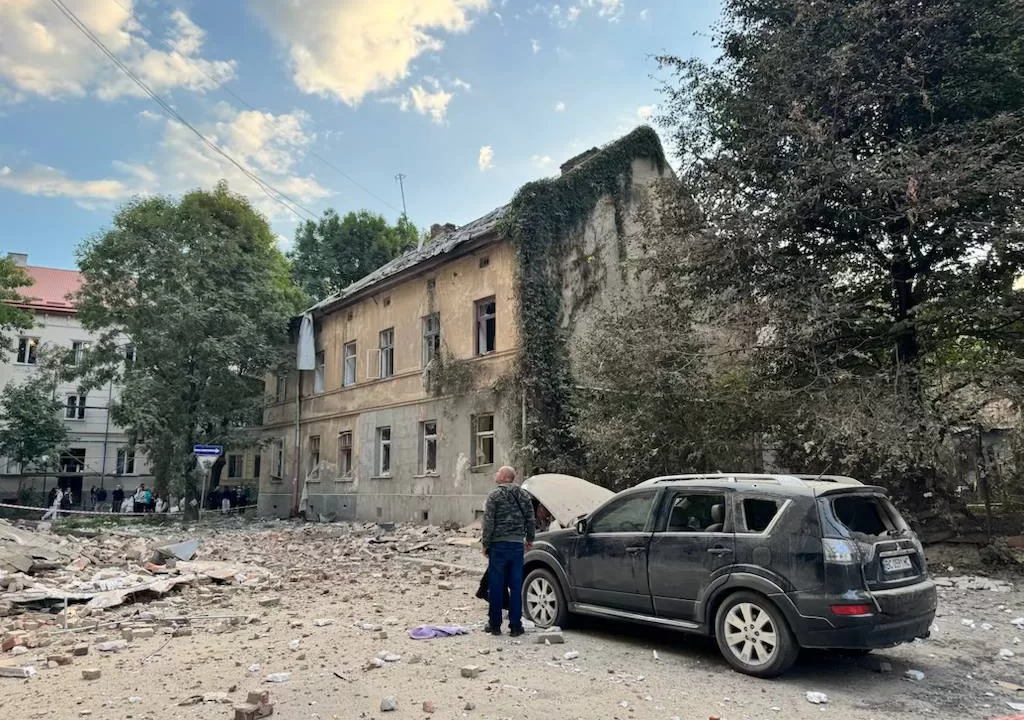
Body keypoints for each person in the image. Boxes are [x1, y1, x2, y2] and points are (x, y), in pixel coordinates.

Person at [481, 466, 536, 637]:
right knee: (516, 586)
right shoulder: (524, 495)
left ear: (505, 477)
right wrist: (530, 539)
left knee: (496, 586)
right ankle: (515, 626)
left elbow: (488, 521)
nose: (496, 474)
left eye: (498, 472)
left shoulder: (494, 495)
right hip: (516, 546)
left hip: (498, 546)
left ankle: (495, 625)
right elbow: (530, 518)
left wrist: (485, 543)